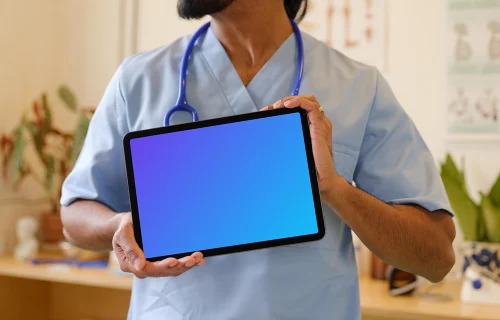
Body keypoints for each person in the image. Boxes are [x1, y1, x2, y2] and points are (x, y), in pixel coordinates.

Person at [60, 0, 456, 319]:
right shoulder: (140, 79)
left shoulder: (356, 87)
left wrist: (332, 188)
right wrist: (119, 224)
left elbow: (436, 256)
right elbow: (75, 213)